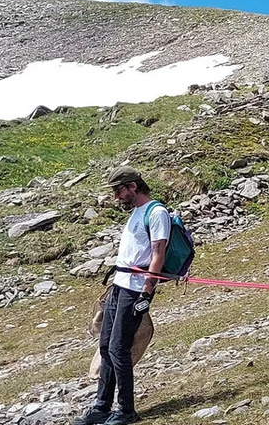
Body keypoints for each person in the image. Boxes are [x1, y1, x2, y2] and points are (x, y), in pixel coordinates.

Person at [75, 167, 169, 425]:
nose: (117, 197)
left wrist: (147, 292)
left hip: (136, 289)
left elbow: (158, 253)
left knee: (119, 348)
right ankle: (101, 407)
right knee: (106, 346)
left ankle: (126, 409)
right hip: (119, 286)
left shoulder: (157, 212)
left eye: (119, 191)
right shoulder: (137, 213)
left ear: (133, 187)